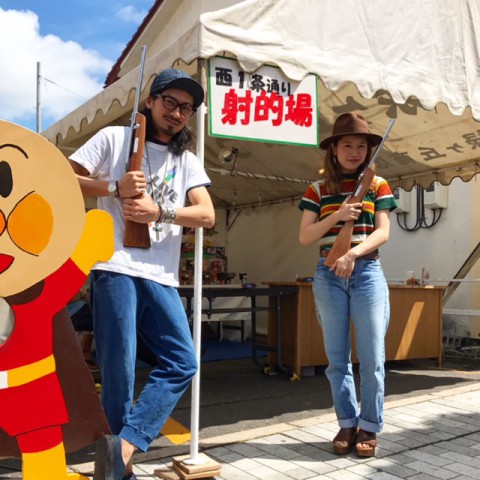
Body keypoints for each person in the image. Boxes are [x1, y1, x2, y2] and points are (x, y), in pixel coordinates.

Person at [69, 68, 215, 480]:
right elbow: (66, 176)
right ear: (150, 101)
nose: (178, 112)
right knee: (119, 372)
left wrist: (159, 211)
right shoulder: (115, 139)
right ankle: (120, 471)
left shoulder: (186, 160)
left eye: (187, 108)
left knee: (183, 360)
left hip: (162, 275)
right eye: (170, 101)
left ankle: (125, 449)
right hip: (113, 265)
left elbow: (207, 214)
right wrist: (114, 188)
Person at [298, 112, 397, 458]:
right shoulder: (318, 188)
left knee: (372, 357)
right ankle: (346, 421)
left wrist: (353, 253)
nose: (354, 151)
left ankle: (369, 425)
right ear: (335, 150)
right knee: (336, 358)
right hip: (328, 275)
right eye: (347, 145)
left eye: (361, 145)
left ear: (369, 150)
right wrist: (337, 216)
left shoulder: (378, 184)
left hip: (367, 272)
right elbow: (305, 236)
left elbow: (383, 232)